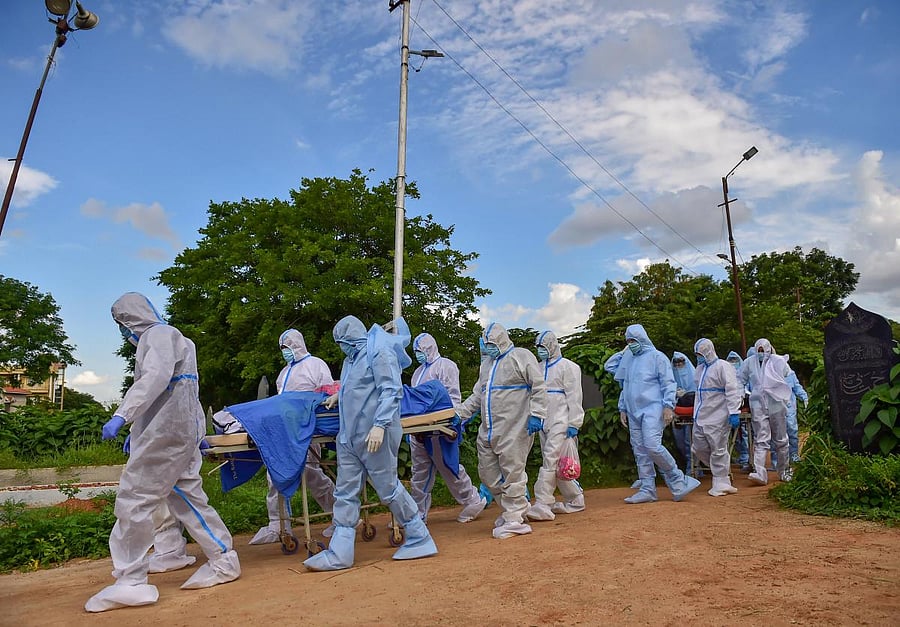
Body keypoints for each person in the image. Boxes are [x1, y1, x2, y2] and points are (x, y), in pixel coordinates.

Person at [86, 293, 239, 613]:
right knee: (186, 497)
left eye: (121, 324)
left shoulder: (157, 337)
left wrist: (122, 415)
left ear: (128, 319)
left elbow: (153, 380)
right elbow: (185, 393)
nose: (123, 332)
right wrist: (192, 433)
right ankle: (224, 559)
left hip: (164, 437)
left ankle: (130, 581)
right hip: (174, 434)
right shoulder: (178, 339)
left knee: (133, 500)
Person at [303, 316, 437, 571]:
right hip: (350, 436)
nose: (341, 347)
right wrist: (338, 397)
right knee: (345, 491)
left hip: (375, 434)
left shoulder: (379, 352)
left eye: (342, 342)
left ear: (351, 338)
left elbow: (391, 390)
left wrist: (380, 425)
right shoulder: (350, 359)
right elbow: (356, 387)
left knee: (387, 488)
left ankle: (420, 536)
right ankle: (340, 553)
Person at [456, 322, 549, 539]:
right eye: (484, 344)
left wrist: (537, 413)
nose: (487, 348)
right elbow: (478, 395)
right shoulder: (487, 365)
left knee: (513, 472)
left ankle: (515, 519)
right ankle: (513, 508)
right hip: (489, 429)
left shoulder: (521, 356)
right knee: (487, 474)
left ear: (500, 340)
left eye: (490, 343)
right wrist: (460, 414)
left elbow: (538, 386)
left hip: (514, 427)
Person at [250, 329, 338, 545]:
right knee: (275, 473)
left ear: (297, 345)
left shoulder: (316, 365)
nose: (285, 352)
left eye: (287, 348)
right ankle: (278, 525)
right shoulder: (284, 372)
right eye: (282, 349)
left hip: (307, 427)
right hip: (284, 430)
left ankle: (341, 516)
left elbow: (326, 395)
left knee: (311, 473)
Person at [604, 324, 701, 504]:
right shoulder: (629, 359)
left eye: (633, 340)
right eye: (628, 341)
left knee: (652, 446)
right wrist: (622, 408)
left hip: (653, 409)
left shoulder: (657, 357)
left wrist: (668, 406)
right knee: (639, 450)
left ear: (642, 338)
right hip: (633, 411)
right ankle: (647, 488)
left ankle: (677, 477)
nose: (631, 344)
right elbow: (623, 383)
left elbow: (668, 383)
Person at [408, 332, 486, 523]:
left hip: (439, 427)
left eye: (421, 350)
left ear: (429, 348)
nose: (418, 354)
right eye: (416, 351)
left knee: (448, 467)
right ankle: (418, 514)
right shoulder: (418, 373)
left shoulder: (446, 366)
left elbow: (453, 397)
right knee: (419, 472)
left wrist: (451, 418)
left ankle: (472, 500)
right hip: (419, 429)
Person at [527, 330, 585, 520]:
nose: (540, 351)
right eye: (538, 348)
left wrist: (575, 422)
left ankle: (543, 502)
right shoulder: (537, 367)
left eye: (543, 347)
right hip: (543, 421)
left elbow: (575, 396)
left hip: (561, 420)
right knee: (556, 462)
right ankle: (575, 498)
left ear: (552, 346)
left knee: (550, 461)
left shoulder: (568, 367)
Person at [738, 338, 796, 484]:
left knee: (781, 439)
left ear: (769, 349)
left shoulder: (778, 361)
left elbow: (789, 376)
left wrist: (785, 394)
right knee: (761, 438)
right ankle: (760, 473)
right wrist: (741, 394)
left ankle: (784, 471)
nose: (761, 353)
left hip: (776, 403)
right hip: (757, 403)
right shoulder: (749, 362)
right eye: (759, 350)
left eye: (763, 350)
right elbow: (740, 379)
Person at [692, 338, 743, 497]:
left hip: (718, 414)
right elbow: (698, 393)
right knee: (698, 447)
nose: (699, 357)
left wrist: (734, 411)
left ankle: (722, 481)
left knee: (718, 448)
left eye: (700, 353)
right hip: (700, 415)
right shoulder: (699, 369)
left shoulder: (723, 366)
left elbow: (732, 389)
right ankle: (719, 471)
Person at [770, 358, 809, 468]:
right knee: (776, 434)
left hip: (790, 408)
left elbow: (797, 387)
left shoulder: (790, 374)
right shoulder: (772, 376)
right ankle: (776, 460)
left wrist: (804, 397)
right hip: (776, 408)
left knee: (792, 431)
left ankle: (793, 455)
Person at [671, 352, 697, 477]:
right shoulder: (671, 377)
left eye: (681, 362)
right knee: (680, 442)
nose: (679, 365)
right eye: (676, 363)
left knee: (690, 440)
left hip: (693, 413)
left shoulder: (695, 376)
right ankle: (689, 464)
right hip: (677, 413)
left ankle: (693, 468)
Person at [726, 351, 751, 471]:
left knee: (745, 433)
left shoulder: (745, 372)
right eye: (730, 360)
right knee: (731, 435)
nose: (733, 363)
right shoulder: (725, 373)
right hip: (729, 407)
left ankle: (746, 458)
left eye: (735, 360)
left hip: (743, 404)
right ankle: (739, 455)